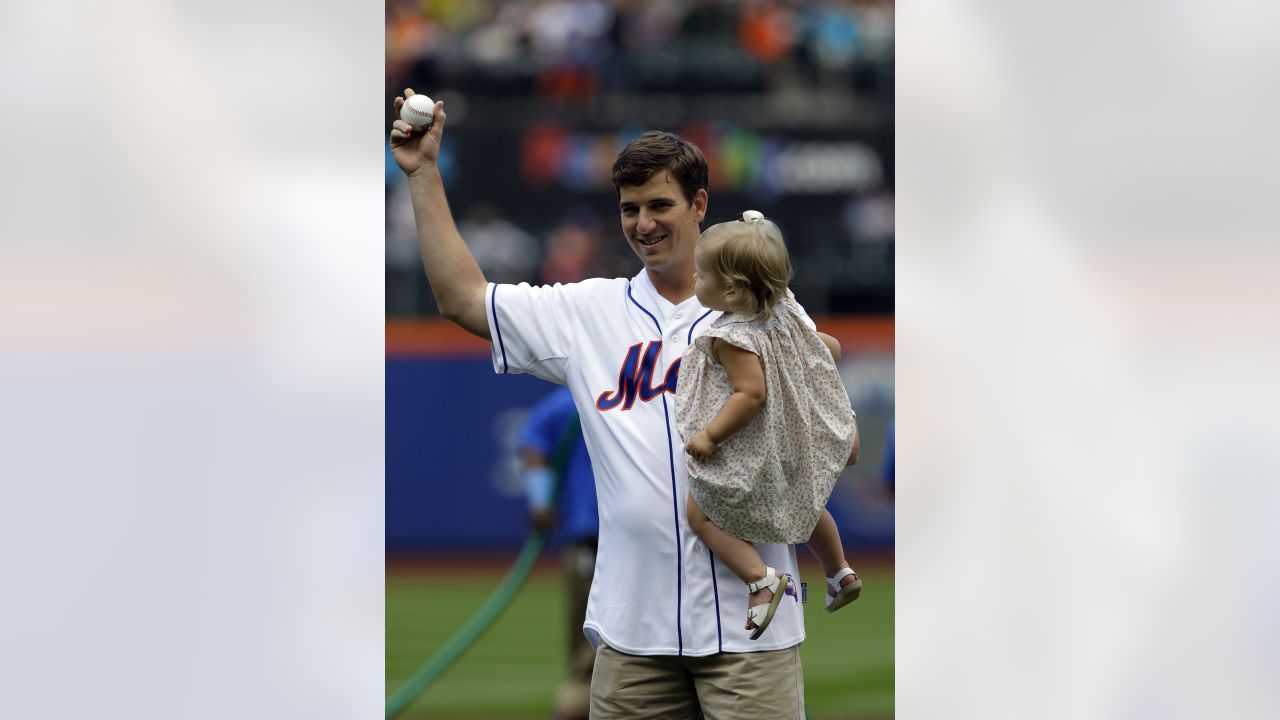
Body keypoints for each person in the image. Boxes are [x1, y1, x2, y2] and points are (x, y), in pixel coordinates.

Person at [389, 89, 845, 718]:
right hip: (633, 631)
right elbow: (464, 299)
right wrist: (424, 175)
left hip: (752, 629)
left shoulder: (766, 310)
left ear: (700, 205)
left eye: (661, 204)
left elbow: (826, 421)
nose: (644, 223)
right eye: (630, 209)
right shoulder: (588, 311)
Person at [676, 211, 863, 641]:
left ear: (732, 289)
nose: (694, 279)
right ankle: (840, 571)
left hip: (764, 442)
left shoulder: (731, 337)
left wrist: (709, 435)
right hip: (796, 436)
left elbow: (750, 394)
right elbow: (829, 348)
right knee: (805, 504)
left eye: (702, 275)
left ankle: (760, 579)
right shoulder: (786, 310)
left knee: (699, 514)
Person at [517, 387, 597, 720]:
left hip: (592, 537)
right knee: (594, 651)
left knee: (591, 648)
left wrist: (541, 500)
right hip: (596, 537)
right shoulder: (574, 399)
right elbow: (533, 445)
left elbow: (533, 446)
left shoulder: (572, 397)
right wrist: (540, 499)